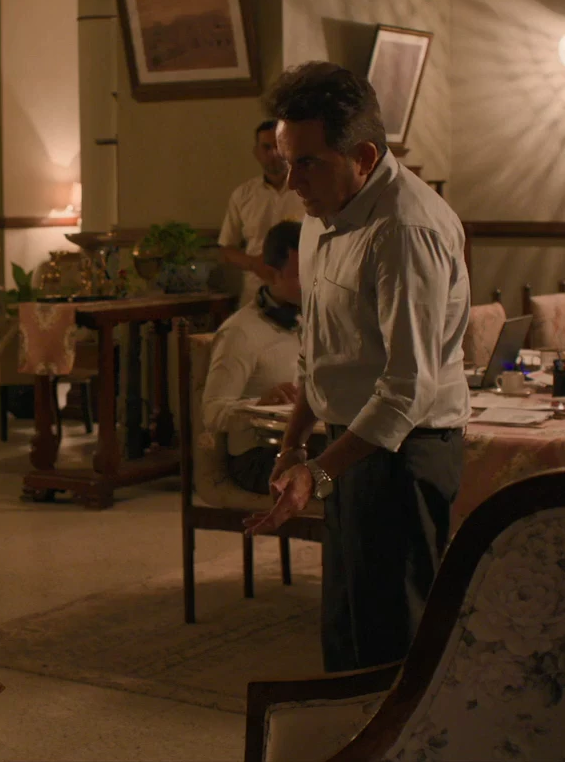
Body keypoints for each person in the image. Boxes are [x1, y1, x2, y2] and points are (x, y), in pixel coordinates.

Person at [244, 62, 471, 673]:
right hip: (347, 447)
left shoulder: (406, 229)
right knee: (345, 633)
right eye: (284, 162)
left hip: (406, 455)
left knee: (392, 646)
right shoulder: (321, 213)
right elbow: (319, 353)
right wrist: (293, 448)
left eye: (307, 163)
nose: (291, 181)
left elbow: (406, 392)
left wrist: (318, 471)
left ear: (364, 156)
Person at [202, 221, 312, 494]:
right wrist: (258, 404)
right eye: (302, 275)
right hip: (258, 456)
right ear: (271, 274)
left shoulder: (315, 319)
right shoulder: (240, 332)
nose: (314, 282)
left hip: (307, 443)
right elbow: (212, 412)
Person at [218, 120, 305, 307]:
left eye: (278, 145)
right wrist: (254, 264)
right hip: (255, 295)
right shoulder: (242, 195)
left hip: (301, 294)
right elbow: (227, 248)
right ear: (256, 152)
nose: (273, 153)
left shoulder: (308, 189)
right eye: (266, 147)